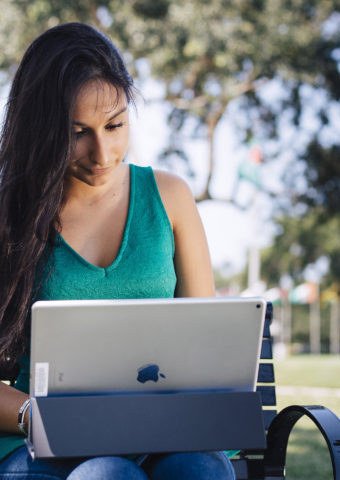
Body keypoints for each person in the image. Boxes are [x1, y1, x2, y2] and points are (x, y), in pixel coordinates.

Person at [0, 22, 235, 480]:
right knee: (107, 474)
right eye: (77, 132)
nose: (102, 153)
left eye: (115, 125)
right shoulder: (11, 216)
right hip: (41, 442)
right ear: (43, 130)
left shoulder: (170, 197)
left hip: (160, 433)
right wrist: (41, 419)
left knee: (200, 470)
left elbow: (205, 345)